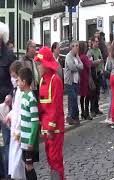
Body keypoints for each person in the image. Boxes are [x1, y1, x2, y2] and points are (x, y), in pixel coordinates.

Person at [35, 47, 65, 180]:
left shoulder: (55, 80)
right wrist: (41, 122)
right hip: (46, 127)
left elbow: (56, 106)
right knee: (50, 158)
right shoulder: (42, 81)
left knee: (55, 158)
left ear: (46, 65)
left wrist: (51, 127)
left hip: (55, 128)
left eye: (39, 64)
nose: (38, 67)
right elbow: (42, 105)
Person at [17, 67, 40, 180]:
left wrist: (31, 141)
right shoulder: (24, 96)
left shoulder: (31, 98)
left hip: (29, 143)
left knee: (29, 166)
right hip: (24, 140)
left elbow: (35, 122)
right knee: (27, 166)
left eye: (19, 80)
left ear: (24, 82)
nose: (17, 83)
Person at [0, 22, 14, 179]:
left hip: (5, 106)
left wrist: (11, 95)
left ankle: (9, 174)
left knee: (8, 141)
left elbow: (17, 80)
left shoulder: (9, 55)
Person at [7, 61, 26, 180]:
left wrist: (17, 129)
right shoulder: (16, 91)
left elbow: (20, 112)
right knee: (14, 160)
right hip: (15, 130)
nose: (12, 79)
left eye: (14, 77)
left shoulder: (21, 93)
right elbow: (15, 109)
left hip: (18, 131)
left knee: (18, 162)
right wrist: (9, 115)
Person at [64, 41, 83, 125]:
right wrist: (77, 67)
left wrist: (77, 67)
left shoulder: (77, 56)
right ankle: (74, 116)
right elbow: (72, 67)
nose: (77, 48)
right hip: (69, 81)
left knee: (72, 99)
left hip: (76, 81)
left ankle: (70, 117)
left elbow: (82, 66)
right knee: (73, 98)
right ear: (71, 47)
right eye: (75, 46)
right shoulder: (68, 56)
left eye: (78, 46)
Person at [79, 41, 96, 121]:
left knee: (82, 96)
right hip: (86, 78)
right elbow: (89, 64)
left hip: (81, 78)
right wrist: (92, 61)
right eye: (86, 46)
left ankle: (82, 112)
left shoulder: (79, 56)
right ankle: (86, 113)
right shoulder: (84, 57)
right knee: (88, 96)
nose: (87, 47)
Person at [87, 36, 104, 117]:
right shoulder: (90, 52)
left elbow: (102, 59)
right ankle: (92, 110)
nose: (98, 43)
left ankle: (96, 108)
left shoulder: (99, 50)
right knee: (92, 93)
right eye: (96, 41)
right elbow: (89, 63)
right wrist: (96, 62)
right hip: (93, 74)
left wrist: (102, 68)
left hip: (99, 73)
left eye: (98, 41)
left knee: (97, 92)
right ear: (92, 42)